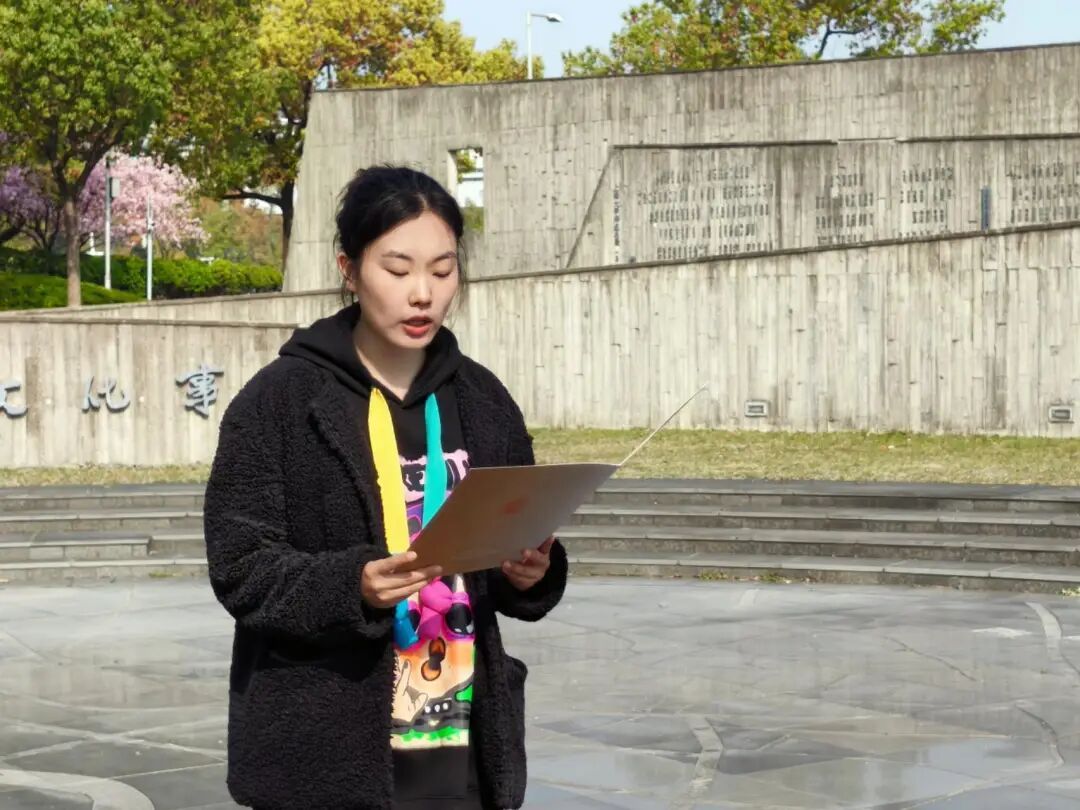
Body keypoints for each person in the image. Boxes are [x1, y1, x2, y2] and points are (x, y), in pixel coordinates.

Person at [203, 165, 568, 810]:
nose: (422, 293)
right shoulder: (278, 402)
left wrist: (531, 572)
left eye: (442, 270)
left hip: (459, 742)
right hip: (326, 749)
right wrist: (353, 586)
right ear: (349, 268)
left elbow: (511, 550)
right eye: (397, 270)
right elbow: (242, 567)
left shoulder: (483, 400)